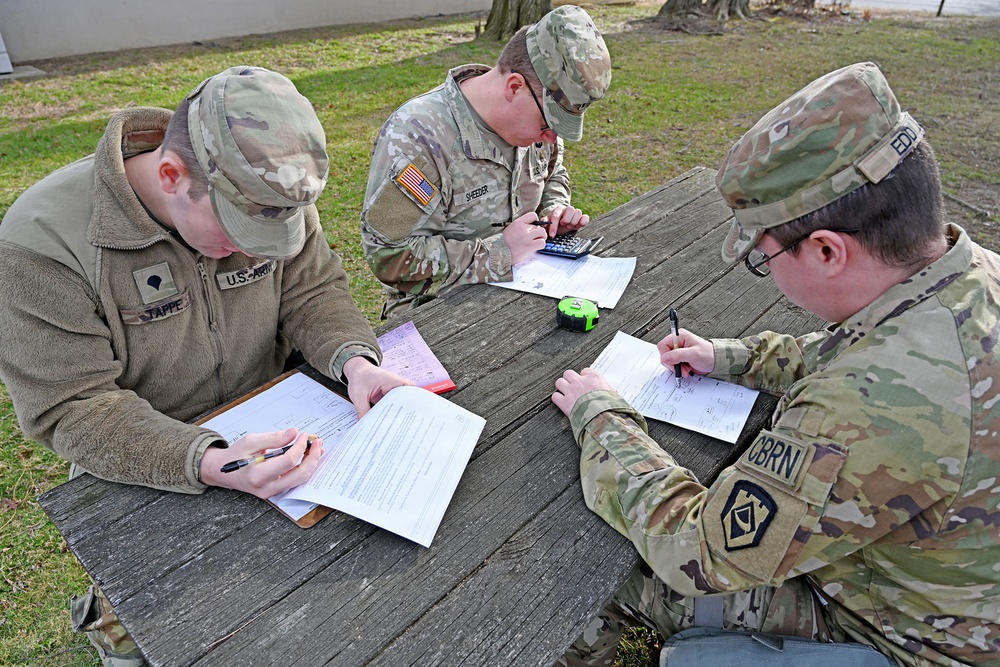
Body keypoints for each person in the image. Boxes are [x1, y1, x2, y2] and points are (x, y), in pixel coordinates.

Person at [551, 62, 1000, 666]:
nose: (765, 272)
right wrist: (730, 358)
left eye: (763, 257)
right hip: (955, 591)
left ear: (825, 250)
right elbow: (860, 351)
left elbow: (698, 549)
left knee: (616, 581)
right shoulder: (973, 279)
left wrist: (601, 417)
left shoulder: (858, 411)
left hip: (901, 634)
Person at [0, 66, 410, 665]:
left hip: (281, 440)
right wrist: (210, 458)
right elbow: (71, 409)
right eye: (238, 232)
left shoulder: (271, 193)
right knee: (152, 639)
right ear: (172, 175)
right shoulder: (41, 245)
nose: (256, 249)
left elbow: (312, 291)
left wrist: (355, 362)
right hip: (138, 474)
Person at [360, 5, 612, 317]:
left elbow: (552, 171)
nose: (549, 138)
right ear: (514, 87)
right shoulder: (418, 136)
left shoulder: (532, 121)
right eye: (549, 125)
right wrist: (500, 252)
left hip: (526, 294)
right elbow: (389, 256)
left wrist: (553, 211)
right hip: (437, 313)